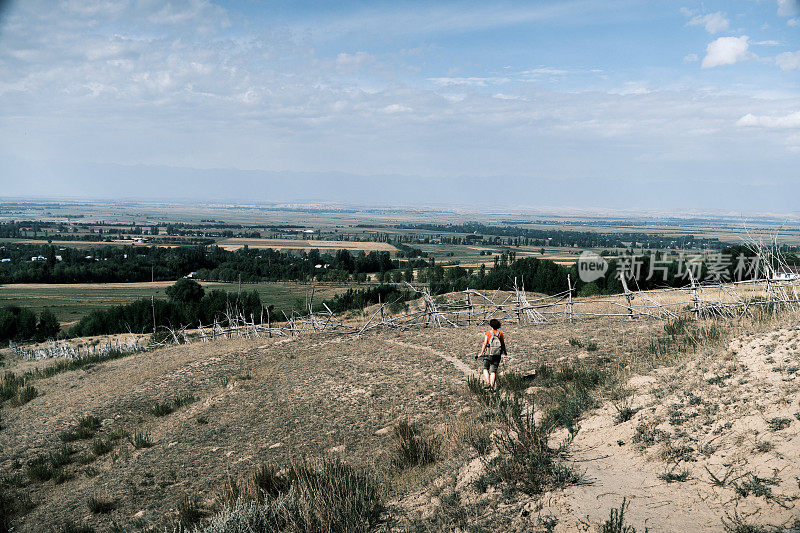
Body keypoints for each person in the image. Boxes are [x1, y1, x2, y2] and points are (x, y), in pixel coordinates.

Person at [476, 318, 506, 390]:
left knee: (485, 368)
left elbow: (485, 343)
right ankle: (492, 387)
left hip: (488, 353)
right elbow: (502, 344)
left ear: (491, 325)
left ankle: (488, 383)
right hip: (497, 354)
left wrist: (481, 353)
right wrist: (504, 352)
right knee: (493, 371)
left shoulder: (488, 333)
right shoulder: (500, 334)